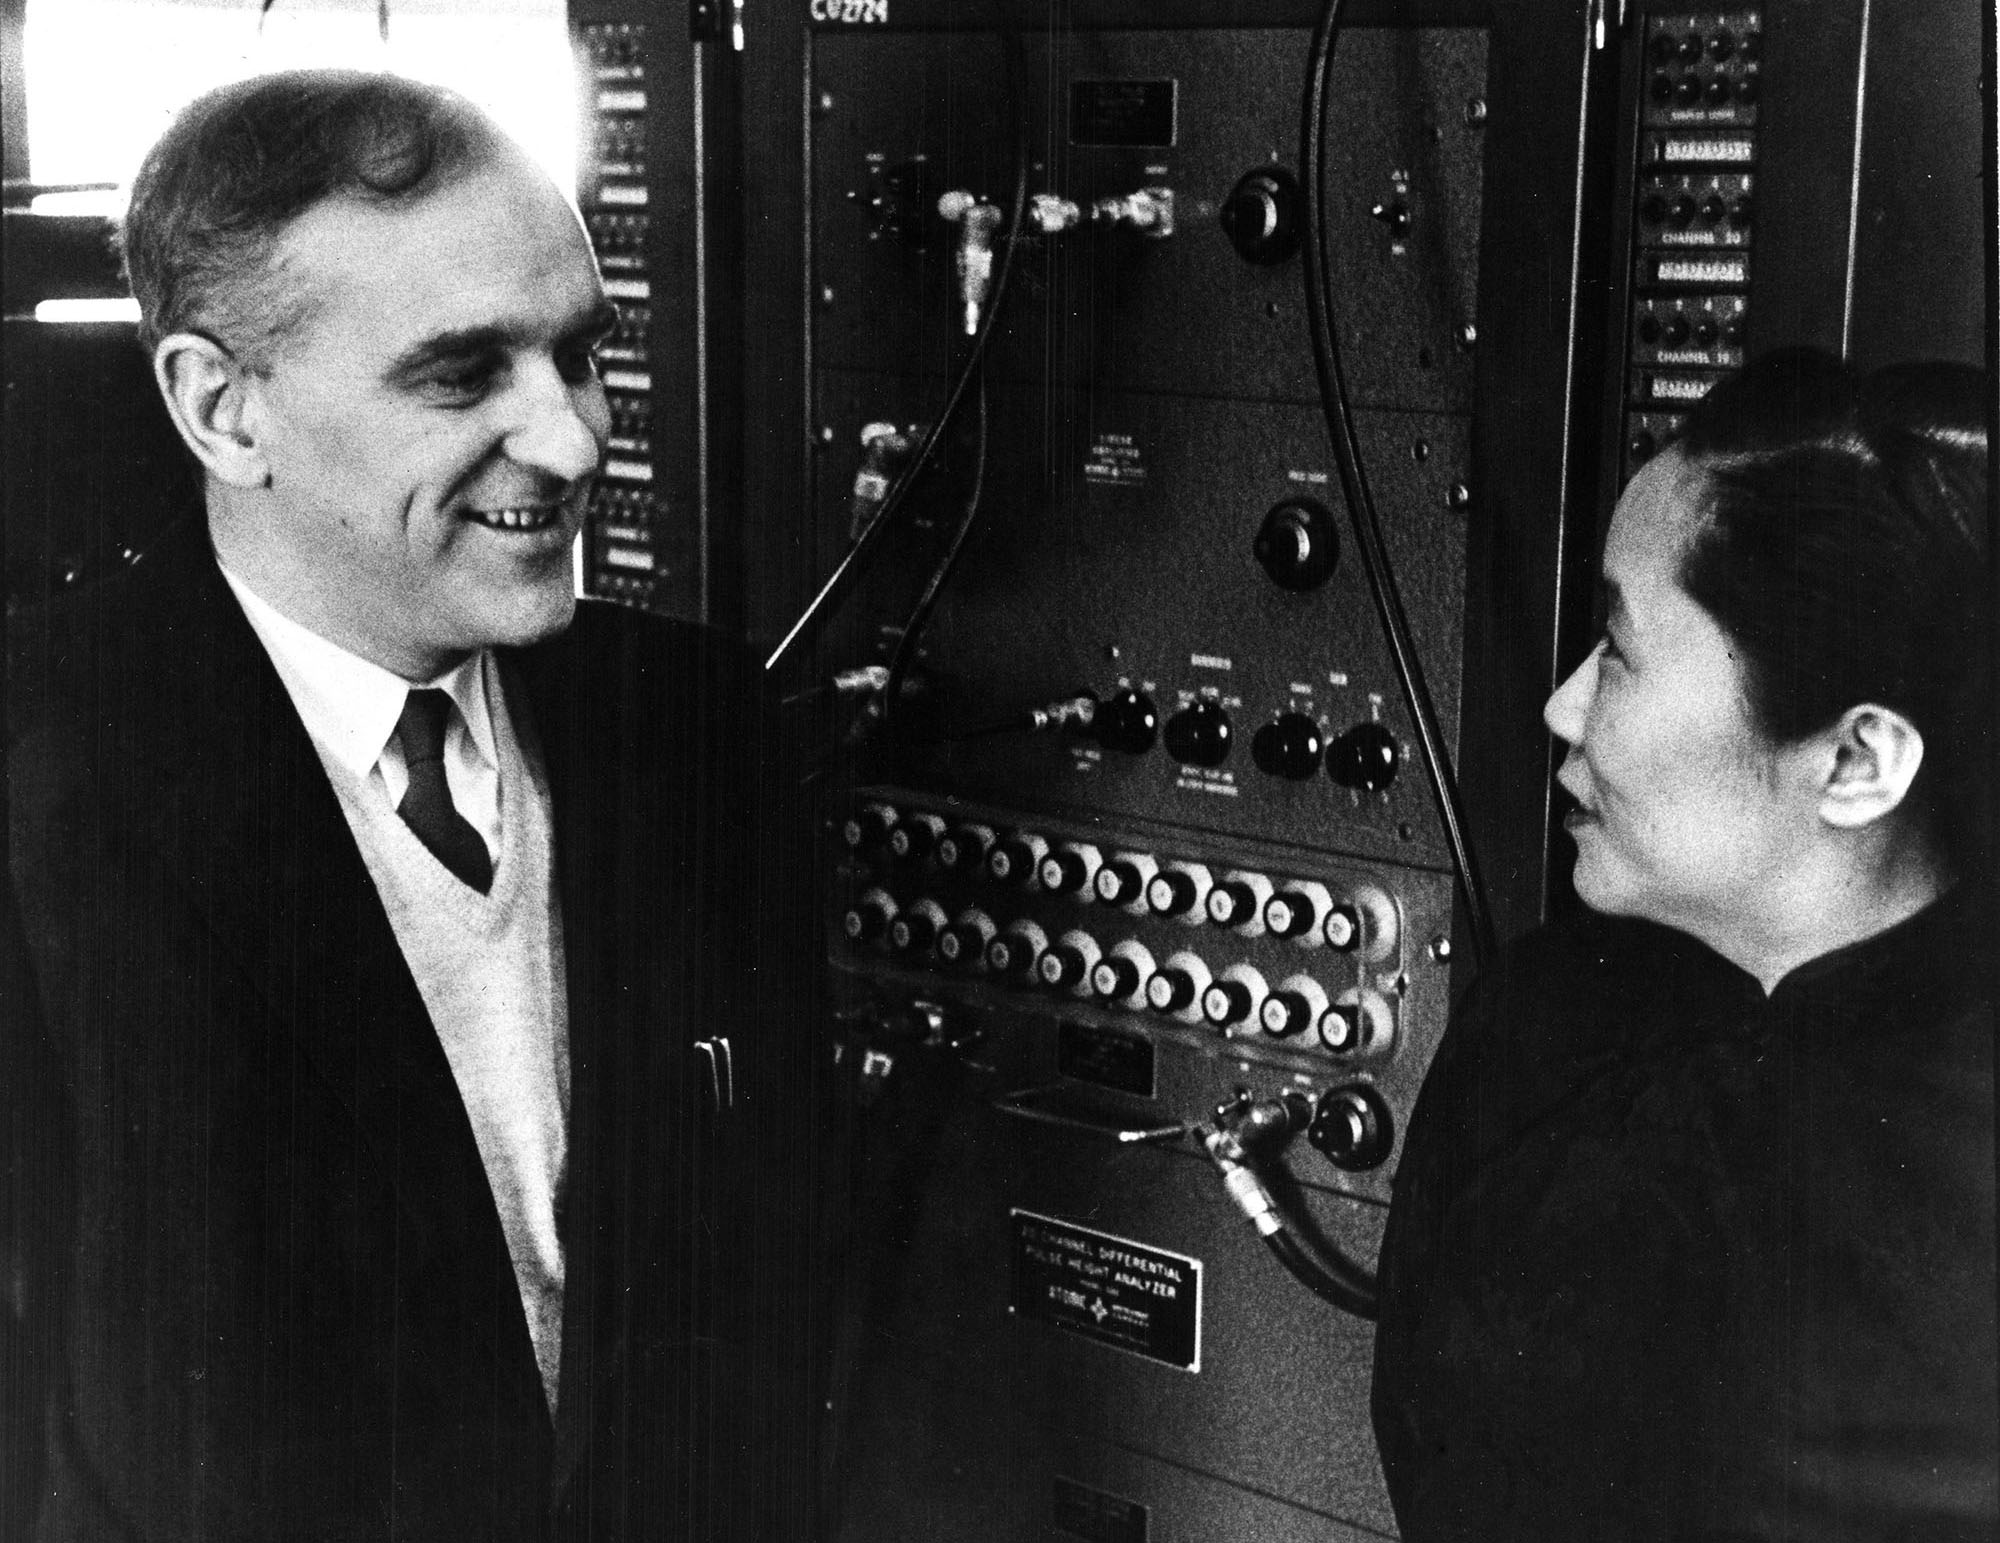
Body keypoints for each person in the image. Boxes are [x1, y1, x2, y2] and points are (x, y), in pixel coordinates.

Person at [5, 71, 806, 1539]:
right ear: (220, 407)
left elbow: (773, 1342)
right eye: (460, 375)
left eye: (578, 352)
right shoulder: (40, 792)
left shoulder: (702, 729)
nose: (570, 439)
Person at [1370, 349, 1996, 1540]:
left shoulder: (1619, 1186)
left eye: (1614, 650)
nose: (1559, 707)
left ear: (1856, 762)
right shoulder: (1579, 1026)